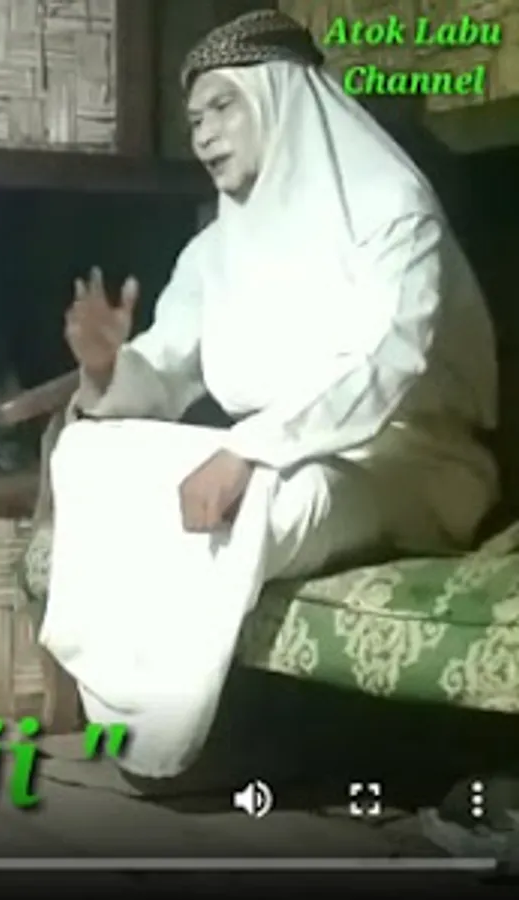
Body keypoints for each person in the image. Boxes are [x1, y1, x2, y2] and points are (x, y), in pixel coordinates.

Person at [39, 10, 499, 779]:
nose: (203, 135)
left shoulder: (392, 209)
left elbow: (385, 366)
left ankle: (196, 745)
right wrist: (105, 370)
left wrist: (247, 451)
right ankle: (140, 717)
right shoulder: (214, 249)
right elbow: (166, 371)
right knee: (90, 451)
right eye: (193, 120)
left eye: (222, 107)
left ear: (281, 97)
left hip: (413, 462)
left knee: (264, 498)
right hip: (270, 454)